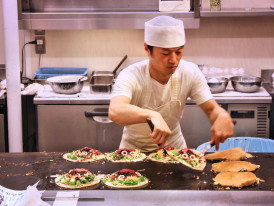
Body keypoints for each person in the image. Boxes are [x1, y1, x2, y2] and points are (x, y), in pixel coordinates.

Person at [109, 16, 234, 152]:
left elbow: (212, 109)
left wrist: (221, 115)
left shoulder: (190, 72)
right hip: (132, 153)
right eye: (166, 53)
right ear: (147, 49)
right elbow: (115, 110)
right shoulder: (131, 74)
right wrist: (152, 115)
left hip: (174, 151)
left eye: (179, 52)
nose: (174, 60)